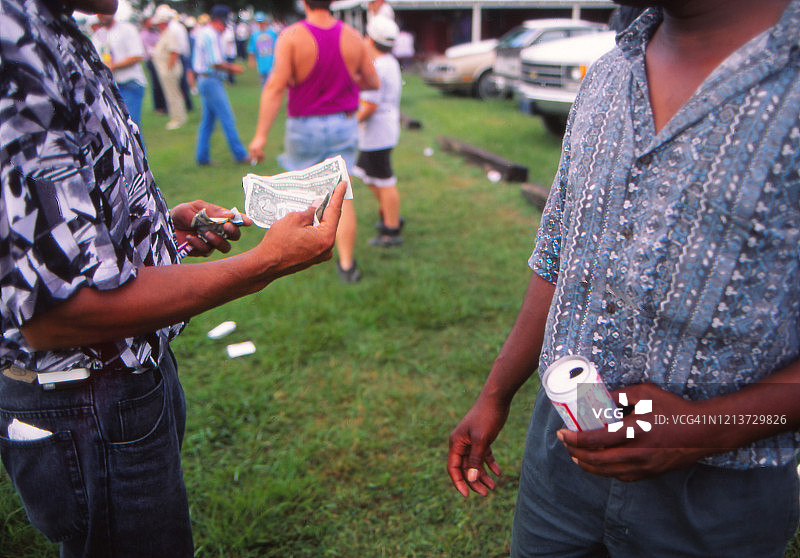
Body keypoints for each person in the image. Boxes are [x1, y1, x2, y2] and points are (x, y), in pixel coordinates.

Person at [447, 1, 800, 557]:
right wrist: (496, 393)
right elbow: (558, 258)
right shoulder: (608, 74)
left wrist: (708, 427)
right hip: (561, 460)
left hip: (718, 499)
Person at [0, 0, 345, 556]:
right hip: (89, 398)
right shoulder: (13, 44)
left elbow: (66, 217)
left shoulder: (53, 26)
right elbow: (58, 310)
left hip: (127, 379)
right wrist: (263, 264)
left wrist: (157, 225)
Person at [248, 0, 380, 283]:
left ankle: (298, 257)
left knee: (300, 194)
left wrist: (260, 136)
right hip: (343, 124)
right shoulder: (353, 36)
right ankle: (347, 265)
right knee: (342, 194)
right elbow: (372, 81)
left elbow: (275, 87)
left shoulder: (292, 37)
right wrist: (345, 81)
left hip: (304, 126)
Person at [353, 16, 404, 247]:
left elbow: (370, 106)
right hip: (383, 131)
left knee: (384, 180)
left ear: (370, 39)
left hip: (378, 134)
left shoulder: (377, 66)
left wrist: (350, 123)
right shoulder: (389, 62)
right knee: (366, 172)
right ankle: (390, 212)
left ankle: (391, 228)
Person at [192, 4, 249, 165]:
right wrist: (233, 69)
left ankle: (202, 157)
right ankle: (240, 155)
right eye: (224, 24)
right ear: (218, 21)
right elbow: (215, 62)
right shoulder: (211, 35)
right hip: (211, 80)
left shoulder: (204, 33)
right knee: (227, 118)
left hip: (205, 80)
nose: (225, 29)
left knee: (208, 122)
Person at [94, 13, 148, 128]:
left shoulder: (127, 29)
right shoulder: (98, 35)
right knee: (118, 129)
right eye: (99, 13)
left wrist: (113, 66)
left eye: (104, 12)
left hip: (130, 84)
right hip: (110, 87)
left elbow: (137, 56)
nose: (101, 15)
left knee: (130, 126)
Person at [152, 4, 187, 129]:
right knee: (171, 94)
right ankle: (177, 117)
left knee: (173, 94)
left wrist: (168, 69)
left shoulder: (170, 34)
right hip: (165, 69)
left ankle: (178, 118)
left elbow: (174, 52)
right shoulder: (164, 34)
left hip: (169, 69)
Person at [140, 16, 167, 114]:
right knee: (156, 84)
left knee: (161, 83)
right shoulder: (144, 35)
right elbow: (149, 50)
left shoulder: (155, 32)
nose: (152, 24)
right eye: (150, 22)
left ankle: (164, 106)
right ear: (144, 24)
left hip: (159, 59)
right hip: (151, 61)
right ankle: (158, 107)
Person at [247, 11, 279, 86]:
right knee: (263, 84)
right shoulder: (255, 35)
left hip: (272, 63)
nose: (260, 24)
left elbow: (278, 47)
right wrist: (251, 60)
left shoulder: (272, 33)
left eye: (262, 22)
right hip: (261, 63)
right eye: (258, 22)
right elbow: (251, 49)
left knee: (271, 84)